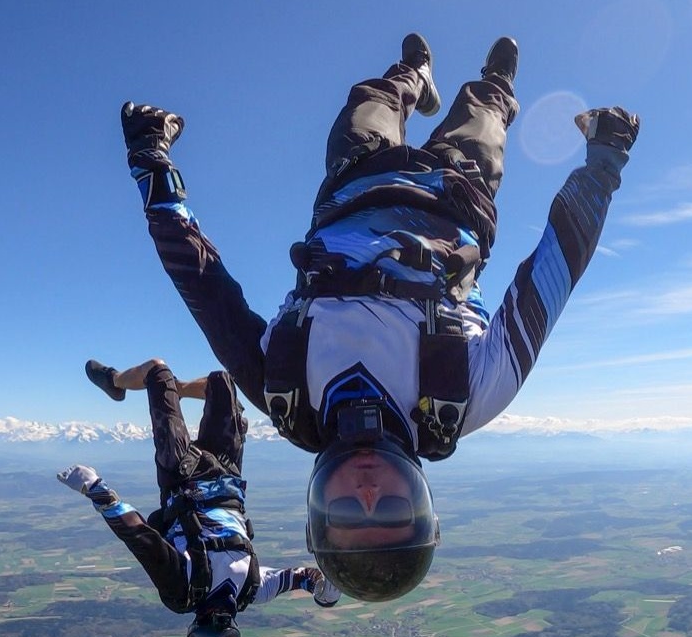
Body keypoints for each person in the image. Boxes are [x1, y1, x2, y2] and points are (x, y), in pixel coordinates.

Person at [119, 34, 640, 602]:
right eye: (391, 507)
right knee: (485, 114)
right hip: (458, 195)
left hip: (354, 183)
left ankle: (414, 72)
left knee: (374, 98)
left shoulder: (285, 390)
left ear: (319, 507)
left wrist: (151, 159)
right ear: (419, 498)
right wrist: (605, 163)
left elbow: (203, 284)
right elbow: (552, 273)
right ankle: (497, 86)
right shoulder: (467, 397)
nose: (367, 490)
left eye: (348, 509)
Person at [57, 358, 340, 637]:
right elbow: (303, 577)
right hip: (226, 471)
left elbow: (142, 538)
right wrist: (325, 589)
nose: (215, 617)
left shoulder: (184, 590)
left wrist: (95, 489)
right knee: (222, 382)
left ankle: (115, 382)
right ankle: (171, 388)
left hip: (182, 475)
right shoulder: (250, 589)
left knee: (157, 370)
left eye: (209, 624)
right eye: (219, 625)